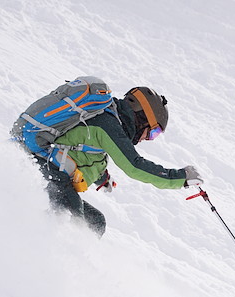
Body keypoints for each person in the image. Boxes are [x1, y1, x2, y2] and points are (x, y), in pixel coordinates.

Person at [24, 79, 203, 237]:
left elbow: (77, 144)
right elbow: (134, 166)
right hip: (45, 170)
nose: (146, 139)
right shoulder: (107, 123)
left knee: (95, 222)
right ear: (142, 117)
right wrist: (181, 178)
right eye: (153, 132)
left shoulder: (104, 117)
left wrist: (102, 177)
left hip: (50, 171)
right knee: (71, 223)